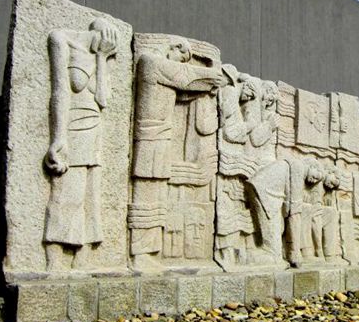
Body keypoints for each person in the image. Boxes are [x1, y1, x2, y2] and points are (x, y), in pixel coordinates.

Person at [129, 34, 225, 272]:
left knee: (156, 196)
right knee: (147, 195)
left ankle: (148, 250)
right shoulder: (151, 61)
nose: (182, 63)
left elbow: (184, 91)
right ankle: (139, 252)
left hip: (160, 139)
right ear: (174, 48)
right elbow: (184, 78)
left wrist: (208, 87)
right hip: (151, 138)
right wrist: (213, 74)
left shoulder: (164, 73)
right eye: (182, 58)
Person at [43, 18, 118, 272]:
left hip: (94, 127)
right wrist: (58, 137)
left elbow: (103, 99)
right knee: (66, 190)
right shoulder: (61, 38)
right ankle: (54, 252)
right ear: (99, 34)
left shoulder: (103, 54)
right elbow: (61, 90)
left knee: (90, 194)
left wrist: (102, 58)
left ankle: (82, 253)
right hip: (71, 124)